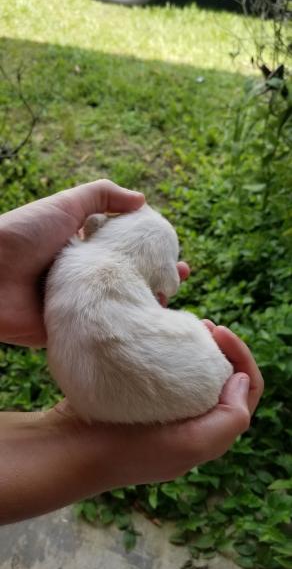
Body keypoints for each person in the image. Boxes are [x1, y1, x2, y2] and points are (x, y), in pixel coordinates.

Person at [0, 179, 264, 525]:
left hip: (103, 398)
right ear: (166, 277)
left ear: (96, 227)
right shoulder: (88, 271)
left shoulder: (68, 260)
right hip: (167, 390)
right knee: (195, 332)